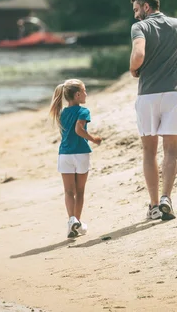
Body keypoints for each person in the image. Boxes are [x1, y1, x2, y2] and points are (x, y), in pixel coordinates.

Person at [129, 0, 177, 221]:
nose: (136, 15)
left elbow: (138, 54)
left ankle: (154, 205)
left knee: (149, 151)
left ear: (147, 6)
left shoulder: (140, 28)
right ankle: (167, 198)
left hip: (148, 96)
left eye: (137, 9)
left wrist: (133, 68)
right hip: (173, 95)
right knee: (171, 150)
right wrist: (167, 61)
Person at [49, 79, 102, 238]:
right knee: (79, 191)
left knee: (68, 191)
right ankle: (76, 220)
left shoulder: (62, 112)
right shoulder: (83, 111)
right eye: (84, 91)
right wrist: (94, 139)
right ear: (78, 95)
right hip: (80, 153)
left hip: (64, 155)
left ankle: (72, 222)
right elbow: (79, 129)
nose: (86, 94)